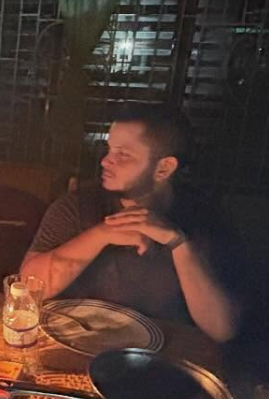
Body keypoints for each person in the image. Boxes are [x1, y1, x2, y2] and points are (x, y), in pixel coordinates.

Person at [21, 105, 241, 342]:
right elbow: (28, 288)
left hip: (160, 354)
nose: (105, 161)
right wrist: (102, 234)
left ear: (164, 168)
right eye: (108, 149)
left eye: (123, 154)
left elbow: (223, 329)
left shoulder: (202, 218)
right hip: (74, 341)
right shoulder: (78, 205)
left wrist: (179, 244)